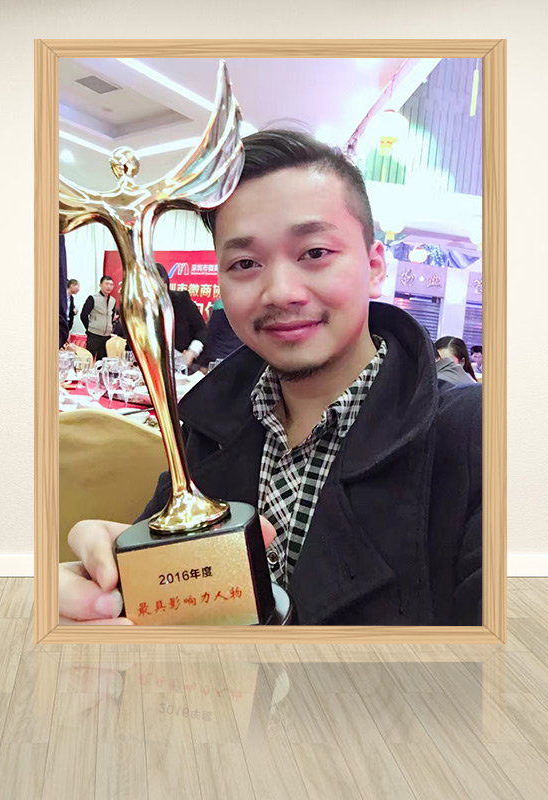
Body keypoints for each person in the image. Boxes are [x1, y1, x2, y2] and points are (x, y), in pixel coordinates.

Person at [59, 129, 482, 627]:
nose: (281, 292)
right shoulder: (207, 426)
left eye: (315, 253)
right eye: (245, 263)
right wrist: (116, 591)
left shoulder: (475, 439)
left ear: (373, 267)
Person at [112, 263, 208, 371]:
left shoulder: (181, 301)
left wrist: (192, 352)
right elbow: (132, 342)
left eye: (161, 288)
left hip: (182, 365)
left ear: (166, 284)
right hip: (151, 368)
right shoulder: (139, 308)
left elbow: (202, 330)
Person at [198, 297, 244, 368]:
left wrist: (202, 362)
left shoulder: (220, 304)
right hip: (239, 357)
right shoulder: (250, 306)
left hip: (217, 358)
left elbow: (211, 334)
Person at [80, 275, 117, 360]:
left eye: (111, 285)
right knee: (89, 358)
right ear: (100, 285)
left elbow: (111, 315)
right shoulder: (93, 298)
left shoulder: (113, 300)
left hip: (106, 335)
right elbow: (84, 315)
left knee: (103, 360)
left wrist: (110, 327)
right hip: (94, 334)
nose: (109, 286)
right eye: (106, 284)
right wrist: (89, 328)